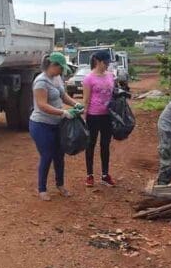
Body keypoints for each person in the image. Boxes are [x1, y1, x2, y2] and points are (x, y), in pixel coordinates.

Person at [29, 52, 83, 201]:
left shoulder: (57, 78)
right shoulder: (41, 82)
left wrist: (75, 103)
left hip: (56, 124)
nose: (62, 72)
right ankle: (42, 189)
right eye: (61, 68)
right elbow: (42, 105)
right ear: (53, 66)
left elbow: (63, 95)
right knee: (47, 155)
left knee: (59, 155)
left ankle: (60, 185)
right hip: (41, 124)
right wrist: (63, 113)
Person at [82, 50, 117, 187]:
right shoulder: (88, 79)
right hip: (93, 116)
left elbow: (114, 94)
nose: (107, 65)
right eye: (105, 62)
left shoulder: (110, 76)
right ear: (98, 62)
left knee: (105, 145)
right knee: (90, 145)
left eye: (108, 62)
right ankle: (89, 175)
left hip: (107, 116)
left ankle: (105, 174)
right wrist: (84, 118)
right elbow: (86, 100)